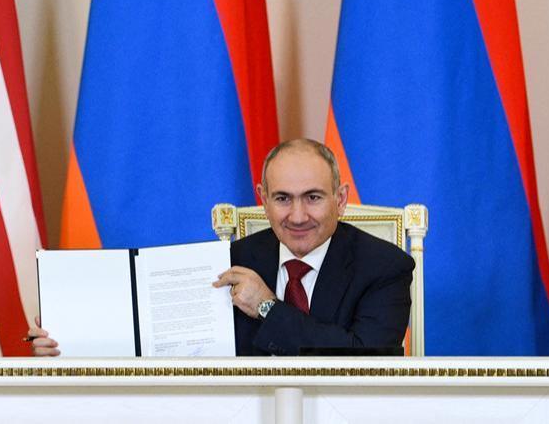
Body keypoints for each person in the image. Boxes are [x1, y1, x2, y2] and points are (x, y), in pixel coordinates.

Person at [30, 138, 413, 356]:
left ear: (341, 199)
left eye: (313, 197)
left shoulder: (385, 266)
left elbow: (369, 360)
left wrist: (267, 306)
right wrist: (68, 346)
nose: (297, 216)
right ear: (262, 199)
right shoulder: (230, 261)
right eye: (282, 199)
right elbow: (158, 341)